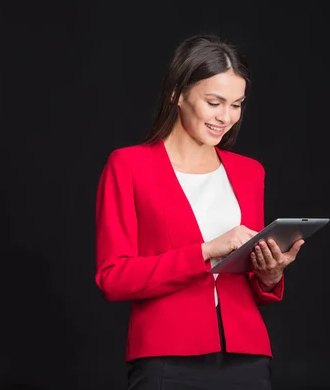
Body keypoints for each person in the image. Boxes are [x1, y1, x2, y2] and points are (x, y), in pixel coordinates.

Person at [94, 34, 304, 390]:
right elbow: (113, 278)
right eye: (214, 102)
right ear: (178, 93)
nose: (226, 117)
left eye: (236, 105)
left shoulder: (250, 171)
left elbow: (251, 281)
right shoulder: (128, 165)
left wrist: (270, 275)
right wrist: (207, 251)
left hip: (248, 358)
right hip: (166, 357)